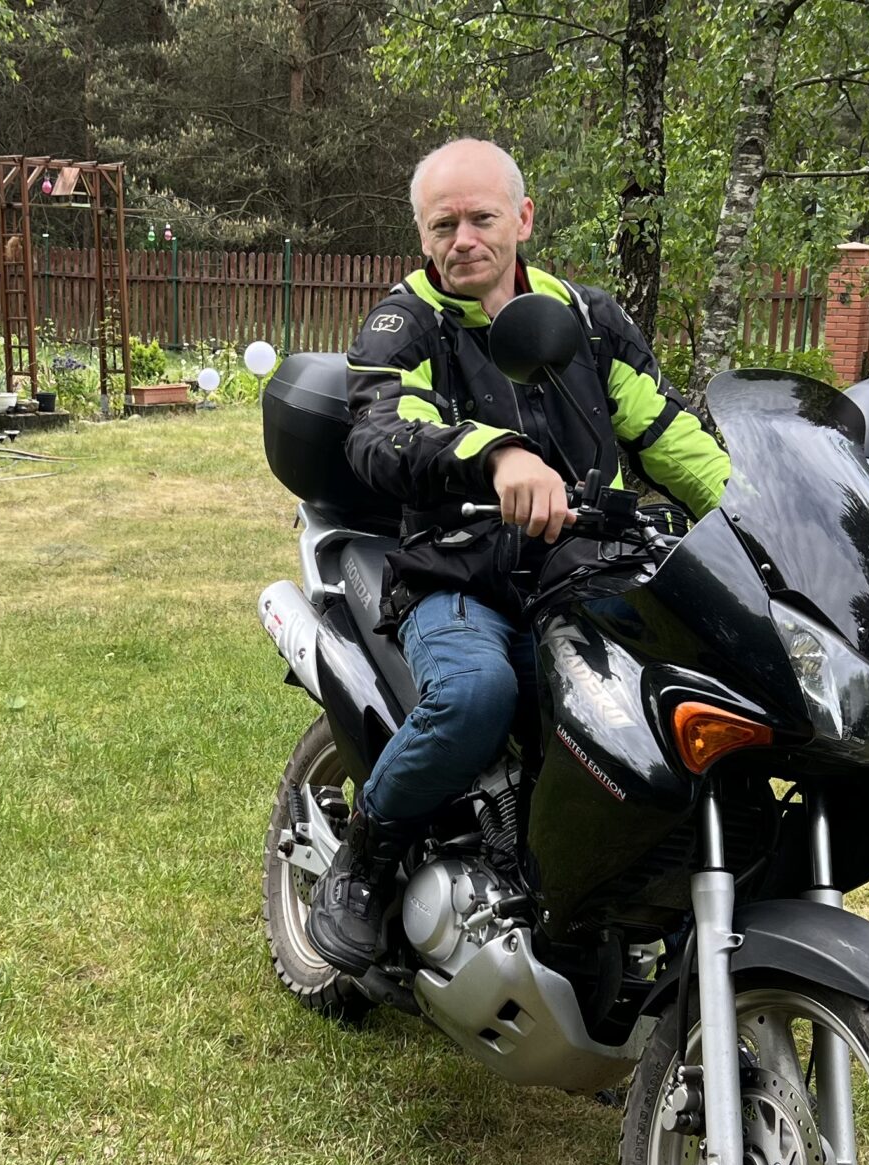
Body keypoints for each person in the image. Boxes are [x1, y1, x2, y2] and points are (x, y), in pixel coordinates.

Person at [305, 137, 731, 974]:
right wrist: (495, 454)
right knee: (476, 694)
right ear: (422, 234)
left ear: (524, 218)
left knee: (667, 710)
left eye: (482, 218)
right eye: (444, 225)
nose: (463, 239)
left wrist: (754, 514)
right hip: (459, 573)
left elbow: (670, 435)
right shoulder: (405, 323)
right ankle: (366, 859)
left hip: (588, 573)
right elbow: (383, 432)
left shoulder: (588, 321)